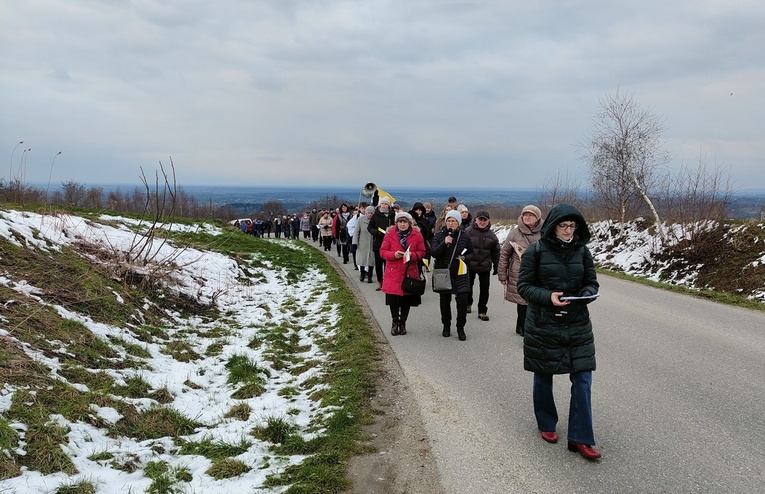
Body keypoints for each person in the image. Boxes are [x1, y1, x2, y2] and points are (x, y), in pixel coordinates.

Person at [516, 203, 601, 460]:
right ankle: (546, 423)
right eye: (563, 226)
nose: (568, 231)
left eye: (572, 226)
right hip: (544, 324)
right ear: (553, 226)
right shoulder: (535, 252)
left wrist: (586, 294)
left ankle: (580, 437)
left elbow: (591, 282)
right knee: (543, 377)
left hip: (577, 324)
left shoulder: (582, 251)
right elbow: (524, 287)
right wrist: (548, 296)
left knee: (583, 380)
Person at [498, 205, 543, 335]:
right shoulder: (514, 232)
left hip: (539, 271)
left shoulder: (545, 232)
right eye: (525, 214)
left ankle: (531, 325)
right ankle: (522, 326)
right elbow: (505, 254)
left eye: (531, 215)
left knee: (536, 299)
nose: (527, 217)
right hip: (519, 271)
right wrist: (502, 274)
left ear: (537, 218)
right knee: (522, 300)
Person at [380, 212, 427, 336]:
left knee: (406, 299)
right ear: (396, 223)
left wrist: (412, 255)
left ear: (410, 223)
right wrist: (394, 255)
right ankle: (395, 322)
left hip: (409, 271)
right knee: (393, 300)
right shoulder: (390, 234)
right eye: (400, 222)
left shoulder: (417, 235)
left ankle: (403, 323)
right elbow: (383, 252)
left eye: (405, 222)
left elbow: (422, 252)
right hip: (393, 271)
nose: (402, 224)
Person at [431, 210, 474, 341]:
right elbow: (434, 253)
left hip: (460, 274)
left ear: (458, 223)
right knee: (444, 302)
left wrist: (464, 258)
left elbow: (472, 253)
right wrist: (444, 242)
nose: (451, 223)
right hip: (444, 273)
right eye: (449, 221)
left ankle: (460, 327)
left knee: (462, 302)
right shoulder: (439, 235)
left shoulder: (465, 236)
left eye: (454, 221)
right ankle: (446, 326)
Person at [465, 211, 500, 320]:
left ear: (488, 221)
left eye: (485, 220)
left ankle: (482, 311)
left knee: (484, 289)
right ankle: (468, 304)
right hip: (470, 264)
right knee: (468, 286)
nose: (482, 222)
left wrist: (496, 266)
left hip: (485, 265)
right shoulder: (468, 232)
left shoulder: (492, 235)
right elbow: (461, 248)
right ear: (475, 219)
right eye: (480, 219)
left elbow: (496, 252)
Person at [367, 197, 395, 291]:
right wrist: (376, 233)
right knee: (378, 264)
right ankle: (380, 282)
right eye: (382, 204)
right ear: (380, 205)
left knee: (388, 264)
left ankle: (387, 282)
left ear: (389, 206)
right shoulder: (376, 215)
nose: (384, 205)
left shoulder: (392, 215)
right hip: (378, 242)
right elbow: (370, 227)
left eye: (386, 204)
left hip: (390, 243)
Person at [354, 206, 376, 283]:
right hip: (362, 243)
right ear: (365, 213)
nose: (370, 215)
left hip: (372, 243)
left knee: (371, 260)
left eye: (371, 213)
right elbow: (356, 232)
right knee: (362, 260)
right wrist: (355, 243)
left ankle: (370, 276)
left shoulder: (375, 220)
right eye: (368, 213)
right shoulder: (361, 219)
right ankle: (362, 273)